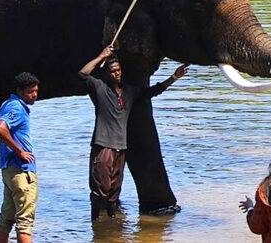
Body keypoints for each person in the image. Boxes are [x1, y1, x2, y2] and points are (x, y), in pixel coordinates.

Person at [78, 46, 188, 220]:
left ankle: (111, 226)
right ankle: (96, 224)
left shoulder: (129, 92)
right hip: (103, 146)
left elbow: (153, 91)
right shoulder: (99, 89)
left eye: (118, 70)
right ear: (107, 74)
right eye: (113, 71)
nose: (116, 74)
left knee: (114, 190)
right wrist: (101, 56)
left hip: (121, 147)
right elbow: (83, 74)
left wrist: (174, 77)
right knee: (101, 188)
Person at [0, 72, 40, 243]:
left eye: (35, 91)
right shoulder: (17, 107)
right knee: (25, 221)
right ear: (19, 91)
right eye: (30, 91)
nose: (34, 95)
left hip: (9, 170)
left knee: (6, 218)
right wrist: (19, 151)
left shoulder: (8, 104)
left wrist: (8, 146)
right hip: (22, 170)